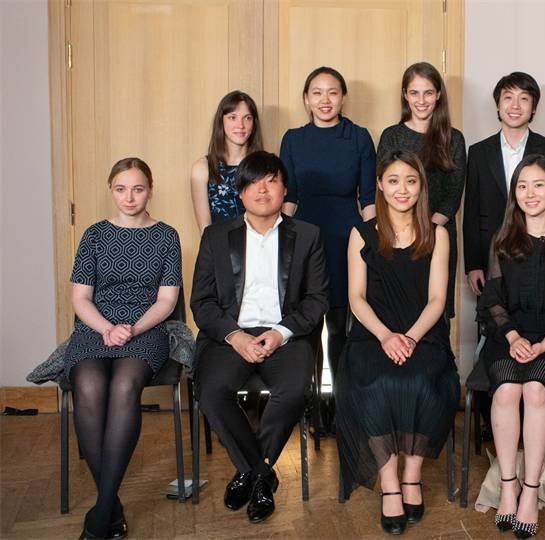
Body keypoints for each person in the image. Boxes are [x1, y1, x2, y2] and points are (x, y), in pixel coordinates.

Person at [191, 151, 329, 525]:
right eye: (253, 182)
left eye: (271, 181)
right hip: (230, 337)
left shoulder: (308, 236)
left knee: (294, 390)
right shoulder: (216, 237)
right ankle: (262, 475)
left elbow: (317, 299)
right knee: (211, 392)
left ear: (284, 189)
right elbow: (201, 302)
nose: (263, 190)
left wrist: (280, 333)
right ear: (240, 192)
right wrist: (235, 336)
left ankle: (249, 472)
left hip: (286, 334)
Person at [335, 150, 459, 535]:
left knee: (423, 382)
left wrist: (410, 338)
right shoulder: (361, 233)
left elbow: (437, 300)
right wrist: (386, 336)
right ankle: (389, 483)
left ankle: (412, 475)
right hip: (373, 334)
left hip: (423, 333)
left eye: (410, 180)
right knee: (376, 383)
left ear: (421, 186)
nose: (401, 189)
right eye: (392, 180)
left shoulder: (438, 234)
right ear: (379, 185)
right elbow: (356, 298)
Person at [66, 158, 182, 539]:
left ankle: (101, 513)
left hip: (146, 326)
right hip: (95, 327)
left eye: (137, 189)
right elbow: (80, 298)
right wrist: (106, 328)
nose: (129, 197)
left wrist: (132, 328)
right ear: (111, 191)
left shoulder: (166, 236)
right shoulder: (94, 235)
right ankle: (110, 506)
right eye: (121, 189)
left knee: (124, 385)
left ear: (150, 190)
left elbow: (167, 301)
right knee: (88, 385)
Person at [476, 155, 545, 539]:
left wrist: (544, 343)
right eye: (522, 186)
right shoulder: (502, 240)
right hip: (507, 335)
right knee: (506, 390)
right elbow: (492, 298)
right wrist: (513, 337)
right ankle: (509, 487)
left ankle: (531, 491)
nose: (530, 193)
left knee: (536, 391)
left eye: (539, 184)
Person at [462, 71, 545, 443]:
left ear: (533, 107)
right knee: (493, 332)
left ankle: (528, 427)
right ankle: (493, 425)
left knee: (532, 329)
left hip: (536, 259)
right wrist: (474, 263)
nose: (515, 105)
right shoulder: (479, 151)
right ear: (498, 105)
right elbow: (471, 211)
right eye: (508, 98)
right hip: (494, 260)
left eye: (524, 98)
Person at [280, 66, 377, 427]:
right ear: (306, 99)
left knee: (339, 325)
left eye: (332, 92)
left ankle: (339, 403)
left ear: (343, 97)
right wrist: (280, 244)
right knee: (307, 324)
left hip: (345, 237)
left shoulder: (359, 137)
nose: (325, 100)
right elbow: (289, 196)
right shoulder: (293, 139)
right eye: (317, 93)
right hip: (304, 236)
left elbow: (368, 198)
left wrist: (371, 242)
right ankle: (312, 407)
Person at [377, 62, 466, 318]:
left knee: (436, 312)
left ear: (438, 95)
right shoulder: (391, 136)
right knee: (397, 311)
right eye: (414, 93)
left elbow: (453, 196)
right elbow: (383, 188)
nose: (421, 100)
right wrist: (405, 234)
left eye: (428, 92)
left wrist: (427, 233)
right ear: (405, 95)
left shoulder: (453, 138)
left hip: (438, 235)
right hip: (396, 237)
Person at [190, 90, 264, 229]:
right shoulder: (202, 168)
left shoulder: (266, 166)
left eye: (247, 118)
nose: (240, 125)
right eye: (232, 117)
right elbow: (205, 229)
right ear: (221, 121)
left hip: (261, 241)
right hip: (218, 242)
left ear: (254, 123)